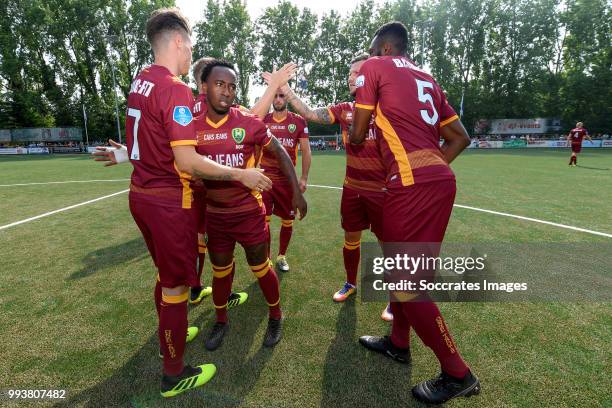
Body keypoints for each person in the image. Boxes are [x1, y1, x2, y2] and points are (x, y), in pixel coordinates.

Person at [123, 8, 272, 398]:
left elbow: (150, 137)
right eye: (190, 45)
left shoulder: (141, 80)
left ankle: (166, 336)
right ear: (178, 42)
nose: (192, 54)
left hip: (139, 194)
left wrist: (125, 155)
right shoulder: (173, 87)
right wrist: (241, 174)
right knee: (175, 287)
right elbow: (187, 161)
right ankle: (174, 372)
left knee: (163, 276)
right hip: (169, 200)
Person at [350, 22, 479, 404]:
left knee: (408, 283)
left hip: (410, 185)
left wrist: (362, 134)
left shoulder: (375, 67)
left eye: (374, 50)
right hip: (437, 181)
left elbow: (357, 135)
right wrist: (429, 165)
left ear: (386, 49)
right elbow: (461, 137)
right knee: (402, 270)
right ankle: (398, 343)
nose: (371, 56)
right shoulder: (428, 76)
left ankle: (458, 373)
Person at [194, 59, 307, 351]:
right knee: (220, 272)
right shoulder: (191, 126)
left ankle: (276, 315)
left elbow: (280, 151)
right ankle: (220, 320)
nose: (226, 92)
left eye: (232, 86)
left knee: (260, 267)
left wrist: (296, 191)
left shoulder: (246, 120)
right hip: (216, 217)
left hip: (248, 213)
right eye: (220, 84)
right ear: (204, 87)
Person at [275, 53, 393, 321]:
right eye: (349, 72)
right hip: (352, 188)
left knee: (388, 245)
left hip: (384, 191)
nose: (351, 77)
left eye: (357, 72)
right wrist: (286, 90)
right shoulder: (344, 110)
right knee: (350, 239)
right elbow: (308, 113)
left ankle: (394, 297)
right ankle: (351, 283)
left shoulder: (389, 107)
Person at [259, 90, 311, 272]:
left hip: (287, 181)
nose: (278, 99)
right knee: (263, 221)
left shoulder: (298, 121)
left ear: (287, 98)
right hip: (265, 179)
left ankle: (281, 256)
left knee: (287, 220)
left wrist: (303, 177)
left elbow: (306, 150)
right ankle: (266, 258)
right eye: (275, 96)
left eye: (282, 96)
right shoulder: (262, 120)